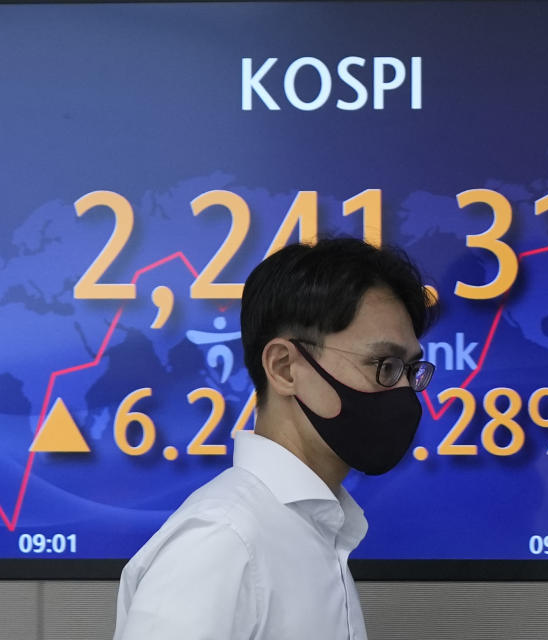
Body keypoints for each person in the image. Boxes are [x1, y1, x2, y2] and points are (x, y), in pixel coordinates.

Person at [113, 238, 436, 640]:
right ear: (284, 368)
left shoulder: (314, 529)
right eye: (383, 365)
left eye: (410, 369)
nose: (403, 389)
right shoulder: (223, 543)